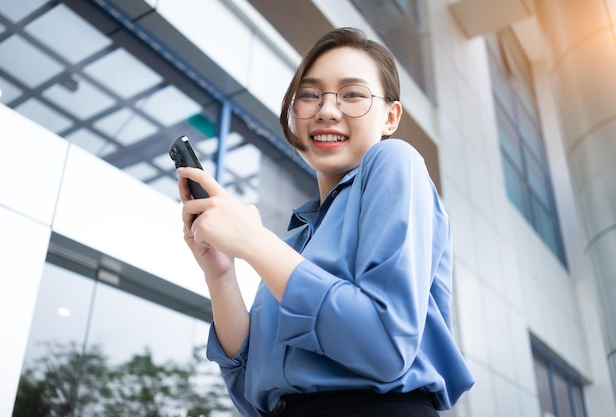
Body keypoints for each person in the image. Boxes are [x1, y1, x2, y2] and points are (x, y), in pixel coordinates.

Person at [177, 27, 474, 417]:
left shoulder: (395, 162)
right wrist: (221, 274)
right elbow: (252, 394)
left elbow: (383, 347)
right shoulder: (295, 242)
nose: (326, 110)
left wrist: (253, 241)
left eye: (352, 94)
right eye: (309, 95)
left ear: (390, 117)